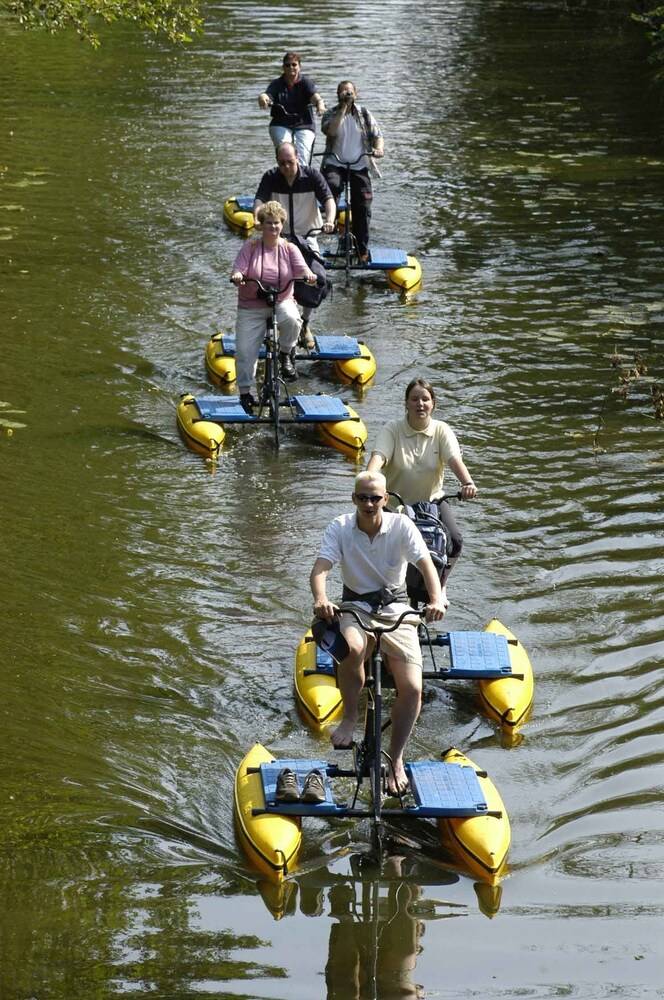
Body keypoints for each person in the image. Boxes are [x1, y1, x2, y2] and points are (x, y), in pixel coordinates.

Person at [310, 470, 447, 796]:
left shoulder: (401, 525)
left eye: (375, 498)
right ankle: (350, 715)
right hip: (355, 608)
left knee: (412, 687)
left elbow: (426, 564)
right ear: (354, 498)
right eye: (362, 497)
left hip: (397, 609)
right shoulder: (340, 527)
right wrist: (321, 598)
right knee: (354, 648)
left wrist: (437, 598)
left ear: (385, 499)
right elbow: (320, 569)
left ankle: (396, 759)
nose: (369, 503)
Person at [367, 377, 477, 598]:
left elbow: (455, 460)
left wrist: (468, 483)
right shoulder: (393, 429)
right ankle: (383, 589)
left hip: (432, 502)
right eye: (414, 399)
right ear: (406, 403)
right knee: (384, 546)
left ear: (433, 403)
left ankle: (439, 586)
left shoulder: (441, 430)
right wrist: (369, 480)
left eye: (425, 399)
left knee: (455, 540)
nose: (420, 404)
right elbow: (378, 458)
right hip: (396, 505)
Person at [230, 200, 316, 413]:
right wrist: (238, 275)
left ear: (282, 224)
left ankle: (286, 354)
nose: (273, 227)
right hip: (251, 306)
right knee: (244, 350)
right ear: (262, 225)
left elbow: (303, 269)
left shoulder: (289, 249)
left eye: (277, 223)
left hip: (281, 300)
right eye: (269, 223)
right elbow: (238, 268)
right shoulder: (250, 247)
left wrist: (308, 276)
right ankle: (245, 392)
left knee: (293, 319)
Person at [254, 142, 336, 347]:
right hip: (278, 238)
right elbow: (259, 200)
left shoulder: (313, 176)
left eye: (289, 162)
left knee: (316, 278)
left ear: (298, 157)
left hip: (307, 237)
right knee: (267, 278)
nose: (286, 168)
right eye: (281, 163)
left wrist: (329, 220)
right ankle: (270, 324)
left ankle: (305, 324)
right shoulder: (271, 177)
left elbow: (329, 200)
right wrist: (257, 218)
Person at [321, 81, 384, 263]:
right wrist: (343, 108)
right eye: (343, 91)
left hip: (359, 164)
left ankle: (362, 249)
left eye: (350, 91)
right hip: (335, 162)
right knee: (331, 185)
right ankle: (330, 222)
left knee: (363, 205)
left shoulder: (364, 113)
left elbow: (377, 135)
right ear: (338, 94)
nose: (347, 94)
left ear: (356, 93)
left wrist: (379, 149)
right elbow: (330, 132)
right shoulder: (331, 113)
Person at [257, 51, 325, 167]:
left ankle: (302, 177)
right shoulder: (277, 84)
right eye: (287, 65)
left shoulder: (306, 82)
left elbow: (315, 96)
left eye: (294, 64)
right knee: (285, 151)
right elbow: (267, 95)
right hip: (281, 123)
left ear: (299, 66)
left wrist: (319, 103)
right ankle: (283, 175)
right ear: (283, 67)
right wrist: (262, 98)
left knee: (303, 156)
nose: (291, 68)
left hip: (304, 124)